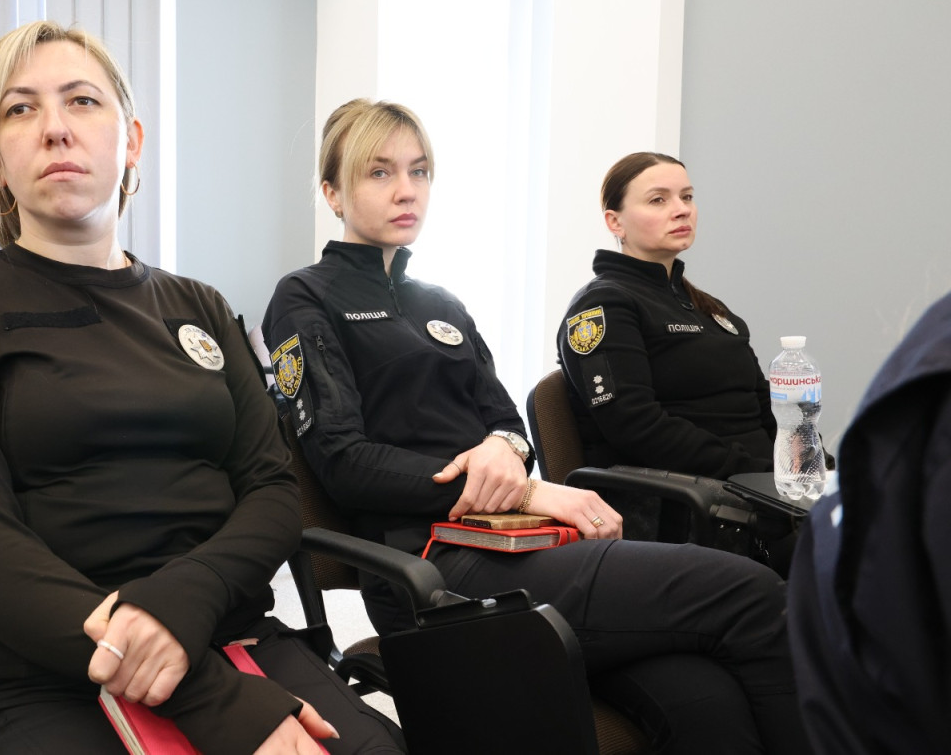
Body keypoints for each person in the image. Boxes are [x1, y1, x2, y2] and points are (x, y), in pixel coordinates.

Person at [0, 21, 404, 755]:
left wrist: (188, 597)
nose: (55, 127)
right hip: (27, 673)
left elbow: (272, 492)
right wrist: (208, 696)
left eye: (82, 100)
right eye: (20, 109)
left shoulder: (201, 307)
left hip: (222, 629)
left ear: (130, 141)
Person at [262, 99, 809, 754]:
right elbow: (345, 462)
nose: (407, 190)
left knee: (705, 699)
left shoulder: (441, 303)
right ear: (332, 192)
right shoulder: (305, 297)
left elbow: (509, 424)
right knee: (754, 593)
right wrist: (522, 488)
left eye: (420, 170)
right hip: (431, 567)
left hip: (520, 543)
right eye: (380, 173)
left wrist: (503, 449)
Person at [788, 290, 951, 754]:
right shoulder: (616, 306)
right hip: (882, 703)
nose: (681, 211)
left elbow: (767, 415)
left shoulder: (717, 316)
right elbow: (640, 426)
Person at [558, 152, 775, 480]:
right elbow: (637, 427)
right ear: (615, 222)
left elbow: (765, 406)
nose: (682, 209)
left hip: (764, 485)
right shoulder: (603, 305)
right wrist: (760, 476)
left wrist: (813, 466)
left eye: (686, 197)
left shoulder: (708, 307)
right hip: (690, 494)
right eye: (658, 200)